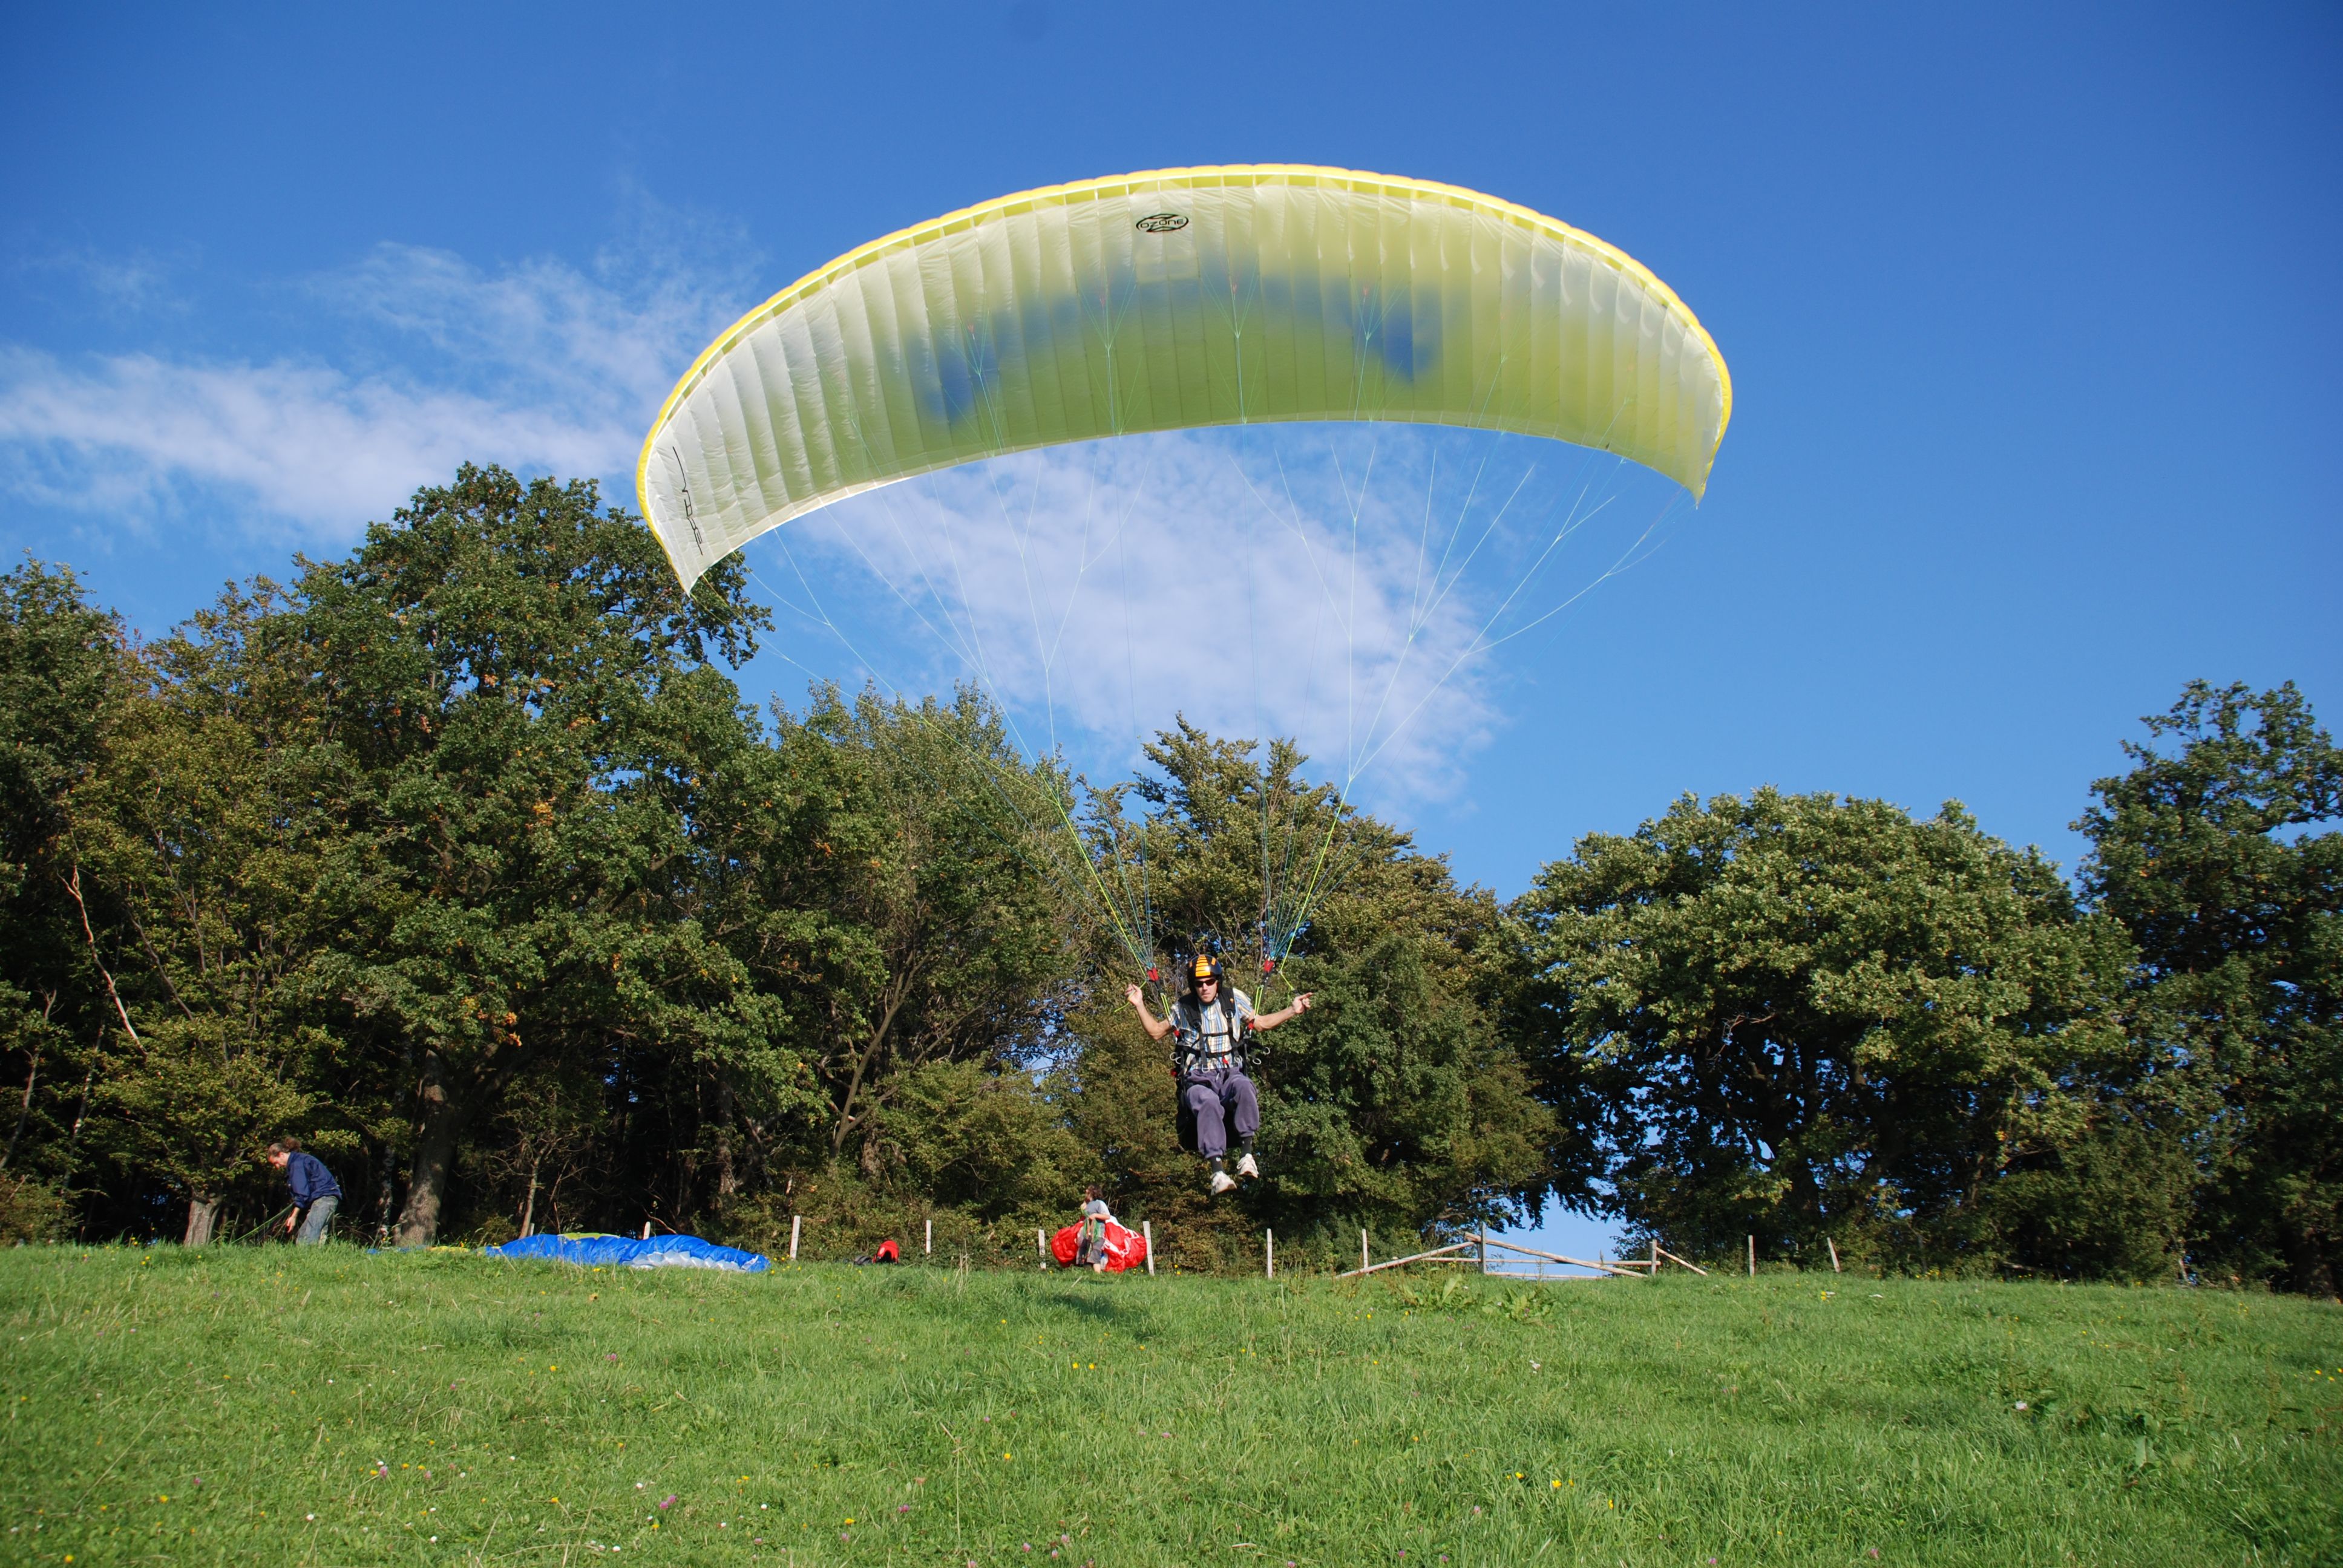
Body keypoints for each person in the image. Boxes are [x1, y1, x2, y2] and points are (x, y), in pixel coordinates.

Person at [1125, 954, 1312, 1195]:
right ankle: (1217, 1173)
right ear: (1193, 985)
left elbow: (1261, 1023)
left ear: (1218, 981)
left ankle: (1247, 1156)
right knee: (1208, 1101)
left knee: (1245, 1087)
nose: (1205, 987)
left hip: (1230, 1074)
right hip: (1198, 1079)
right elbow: (1155, 1032)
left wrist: (1292, 1010)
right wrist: (1139, 1004)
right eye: (1199, 983)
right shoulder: (1183, 1008)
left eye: (1210, 982)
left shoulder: (1233, 999)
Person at [265, 1138, 341, 1245]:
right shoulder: (299, 1160)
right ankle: (316, 1255)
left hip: (324, 1198)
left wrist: (294, 1216)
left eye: (276, 1163)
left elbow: (302, 1194)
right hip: (325, 1198)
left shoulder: (297, 1164)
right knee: (306, 1235)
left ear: (281, 1155)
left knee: (307, 1238)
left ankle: (308, 1255)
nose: (277, 1167)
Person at [1076, 1186, 1115, 1272]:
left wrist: (1095, 1215)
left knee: (1094, 1255)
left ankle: (1098, 1276)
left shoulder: (1099, 1203)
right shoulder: (1087, 1204)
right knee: (1084, 1256)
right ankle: (1088, 1275)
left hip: (1097, 1234)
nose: (1086, 1191)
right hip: (1087, 1234)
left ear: (1092, 1192)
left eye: (1088, 1190)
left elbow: (1107, 1216)